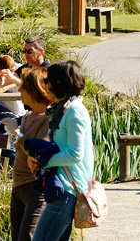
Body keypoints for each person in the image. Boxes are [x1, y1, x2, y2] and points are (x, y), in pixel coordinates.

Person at [28, 61, 94, 241]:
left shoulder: (74, 112)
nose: (46, 84)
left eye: (49, 80)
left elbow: (75, 154)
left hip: (67, 191)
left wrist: (43, 160)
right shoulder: (65, 109)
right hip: (61, 188)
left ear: (60, 83)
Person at [1, 68, 52, 241]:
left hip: (36, 189)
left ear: (34, 91)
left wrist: (17, 134)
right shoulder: (27, 115)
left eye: (24, 88)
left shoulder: (47, 120)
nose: (19, 91)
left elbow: (38, 153)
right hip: (18, 186)